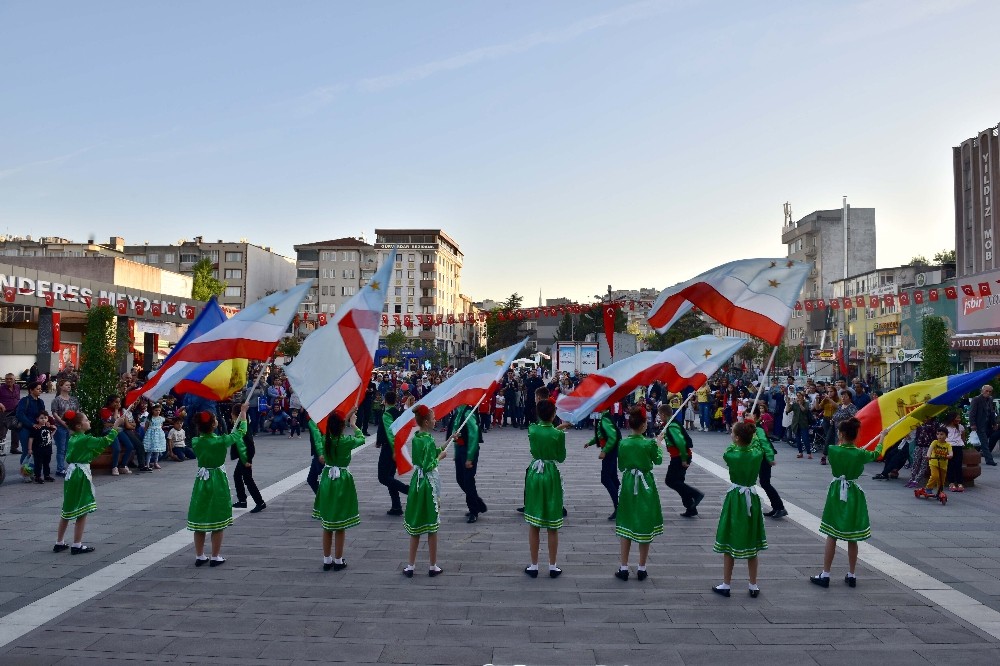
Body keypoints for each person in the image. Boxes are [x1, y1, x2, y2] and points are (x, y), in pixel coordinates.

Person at [810, 418, 884, 589]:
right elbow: (876, 454)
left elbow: (840, 447)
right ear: (856, 434)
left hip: (836, 492)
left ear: (841, 434)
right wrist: (881, 437)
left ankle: (826, 574)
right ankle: (852, 574)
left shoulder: (833, 450)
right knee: (853, 537)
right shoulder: (860, 453)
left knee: (831, 534)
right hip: (853, 494)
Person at [54, 410, 125, 554]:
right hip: (80, 475)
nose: (89, 421)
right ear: (79, 426)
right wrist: (115, 426)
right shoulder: (84, 439)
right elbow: (104, 441)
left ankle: (59, 542)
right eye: (87, 420)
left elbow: (92, 451)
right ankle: (77, 544)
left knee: (67, 508)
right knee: (82, 509)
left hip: (72, 474)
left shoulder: (74, 438)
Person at [187, 405, 250, 567]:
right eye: (215, 419)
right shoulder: (221, 441)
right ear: (213, 424)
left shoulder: (195, 441)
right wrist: (243, 413)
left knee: (200, 518)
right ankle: (215, 556)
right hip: (217, 479)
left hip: (201, 480)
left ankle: (199, 555)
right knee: (218, 517)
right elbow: (241, 431)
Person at [712, 422, 768, 598]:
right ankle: (753, 584)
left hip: (736, 498)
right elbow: (759, 443)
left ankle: (726, 584)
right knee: (752, 541)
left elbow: (730, 449)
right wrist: (754, 428)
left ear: (736, 438)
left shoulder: (731, 454)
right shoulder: (757, 454)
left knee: (730, 540)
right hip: (751, 496)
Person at [614, 406, 664, 582]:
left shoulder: (624, 443)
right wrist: (658, 444)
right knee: (644, 522)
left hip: (628, 483)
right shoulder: (649, 443)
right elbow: (658, 460)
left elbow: (621, 466)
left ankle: (624, 567)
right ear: (644, 425)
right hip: (645, 485)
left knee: (627, 522)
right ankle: (642, 567)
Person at [310, 408, 365, 571]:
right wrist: (353, 424)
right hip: (342, 480)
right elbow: (361, 439)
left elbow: (316, 429)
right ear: (342, 426)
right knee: (340, 525)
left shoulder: (324, 439)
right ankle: (339, 560)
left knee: (327, 525)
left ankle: (327, 560)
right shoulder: (346, 441)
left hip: (327, 479)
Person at [523, 398, 570, 578]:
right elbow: (561, 457)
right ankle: (552, 565)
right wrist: (560, 430)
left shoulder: (532, 430)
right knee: (552, 524)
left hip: (535, 473)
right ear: (553, 415)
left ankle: (534, 565)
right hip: (550, 474)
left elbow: (542, 432)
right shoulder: (558, 435)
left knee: (534, 524)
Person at [403, 405, 447, 578]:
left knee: (416, 525)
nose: (436, 420)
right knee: (431, 526)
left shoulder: (417, 438)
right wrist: (440, 457)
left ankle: (410, 565)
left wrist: (447, 441)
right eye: (434, 418)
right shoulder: (427, 439)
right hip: (428, 484)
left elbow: (426, 456)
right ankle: (432, 565)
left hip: (417, 483)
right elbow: (430, 464)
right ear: (427, 422)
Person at [656, 404, 704, 518]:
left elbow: (680, 442)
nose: (659, 417)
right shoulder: (669, 424)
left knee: (670, 481)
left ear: (663, 414)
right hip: (678, 456)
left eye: (659, 415)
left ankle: (696, 494)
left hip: (679, 456)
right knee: (678, 482)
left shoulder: (672, 426)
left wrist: (683, 459)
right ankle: (690, 507)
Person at [447, 402, 487, 523]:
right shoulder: (459, 411)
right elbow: (455, 433)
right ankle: (477, 502)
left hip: (468, 450)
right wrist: (456, 453)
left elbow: (473, 435)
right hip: (460, 449)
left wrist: (470, 457)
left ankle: (474, 510)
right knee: (460, 479)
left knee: (468, 480)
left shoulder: (468, 412)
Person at [584, 409, 622, 520]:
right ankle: (622, 503)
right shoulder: (604, 418)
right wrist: (590, 442)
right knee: (613, 478)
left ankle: (619, 506)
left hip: (610, 451)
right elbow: (602, 435)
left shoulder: (605, 419)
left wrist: (604, 451)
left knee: (606, 478)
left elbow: (612, 437)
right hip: (612, 451)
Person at [747, 414, 786, 519]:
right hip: (758, 458)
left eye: (748, 414)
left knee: (765, 483)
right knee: (764, 483)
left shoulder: (758, 430)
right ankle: (776, 507)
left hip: (764, 458)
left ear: (754, 417)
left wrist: (770, 458)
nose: (745, 416)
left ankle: (780, 508)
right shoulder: (749, 428)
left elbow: (765, 444)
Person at [376, 391, 408, 516]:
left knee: (383, 477)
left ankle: (407, 490)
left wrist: (394, 450)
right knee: (389, 477)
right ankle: (396, 506)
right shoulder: (398, 413)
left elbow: (391, 433)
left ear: (385, 400)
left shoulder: (387, 414)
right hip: (396, 448)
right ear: (395, 400)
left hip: (390, 449)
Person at [230, 404, 265, 513]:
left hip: (245, 457)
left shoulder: (241, 426)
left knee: (248, 480)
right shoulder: (240, 424)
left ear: (235, 415)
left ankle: (260, 502)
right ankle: (242, 500)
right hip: (243, 457)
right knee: (237, 476)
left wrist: (247, 461)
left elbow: (246, 445)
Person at [50, 380, 80, 476]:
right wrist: (62, 422)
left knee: (69, 448)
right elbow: (54, 413)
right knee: (61, 448)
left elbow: (77, 411)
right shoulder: (57, 400)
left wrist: (78, 421)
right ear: (61, 386)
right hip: (60, 427)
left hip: (71, 427)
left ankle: (69, 467)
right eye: (66, 385)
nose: (69, 386)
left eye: (69, 385)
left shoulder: (73, 399)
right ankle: (60, 469)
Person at [916, 426, 952, 503]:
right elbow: (930, 449)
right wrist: (928, 455)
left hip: (943, 465)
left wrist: (950, 455)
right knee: (935, 476)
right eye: (938, 434)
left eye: (942, 434)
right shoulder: (935, 442)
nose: (939, 436)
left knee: (942, 480)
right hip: (934, 463)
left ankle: (940, 491)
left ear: (946, 436)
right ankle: (928, 488)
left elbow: (950, 452)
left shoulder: (948, 445)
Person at [15, 381, 45, 468]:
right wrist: (31, 424)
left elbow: (43, 414)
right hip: (25, 429)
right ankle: (25, 473)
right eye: (38, 389)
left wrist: (47, 421)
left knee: (36, 450)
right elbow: (20, 414)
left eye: (40, 389)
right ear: (31, 390)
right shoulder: (24, 400)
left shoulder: (40, 402)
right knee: (27, 451)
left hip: (37, 429)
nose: (40, 390)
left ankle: (33, 470)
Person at [968, 385, 997, 466]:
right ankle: (989, 460)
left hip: (988, 424)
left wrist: (994, 423)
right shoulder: (976, 399)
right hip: (979, 424)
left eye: (990, 391)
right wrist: (973, 424)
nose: (988, 393)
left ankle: (973, 456)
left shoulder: (990, 399)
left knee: (981, 443)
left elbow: (991, 412)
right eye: (986, 391)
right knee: (984, 443)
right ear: (982, 391)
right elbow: (972, 413)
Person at [28, 410, 57, 483]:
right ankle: (37, 476)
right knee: (38, 464)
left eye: (45, 418)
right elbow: (31, 439)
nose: (43, 419)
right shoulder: (36, 428)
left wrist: (54, 429)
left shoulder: (48, 427)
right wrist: (30, 449)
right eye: (41, 418)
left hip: (47, 449)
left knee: (47, 463)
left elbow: (50, 436)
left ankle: (46, 475)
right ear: (37, 419)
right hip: (38, 450)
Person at [943, 411, 966, 493]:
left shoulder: (960, 427)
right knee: (950, 465)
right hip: (948, 447)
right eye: (957, 418)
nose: (959, 419)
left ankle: (960, 483)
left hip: (958, 447)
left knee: (958, 465)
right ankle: (951, 482)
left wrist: (962, 443)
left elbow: (963, 436)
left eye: (959, 418)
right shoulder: (945, 427)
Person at [786, 392, 812, 459]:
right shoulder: (794, 404)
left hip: (803, 423)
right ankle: (800, 452)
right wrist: (788, 403)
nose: (798, 397)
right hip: (796, 424)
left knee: (805, 439)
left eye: (799, 396)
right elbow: (787, 411)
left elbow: (805, 411)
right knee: (798, 439)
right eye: (797, 396)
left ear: (803, 396)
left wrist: (800, 404)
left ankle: (809, 453)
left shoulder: (806, 403)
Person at [142, 403, 167, 469]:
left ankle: (156, 462)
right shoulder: (149, 418)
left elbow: (161, 426)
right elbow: (146, 427)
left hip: (158, 435)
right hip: (150, 434)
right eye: (156, 410)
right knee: (149, 450)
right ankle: (147, 464)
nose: (158, 412)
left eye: (159, 410)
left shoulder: (161, 418)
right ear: (153, 410)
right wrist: (145, 435)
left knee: (157, 450)